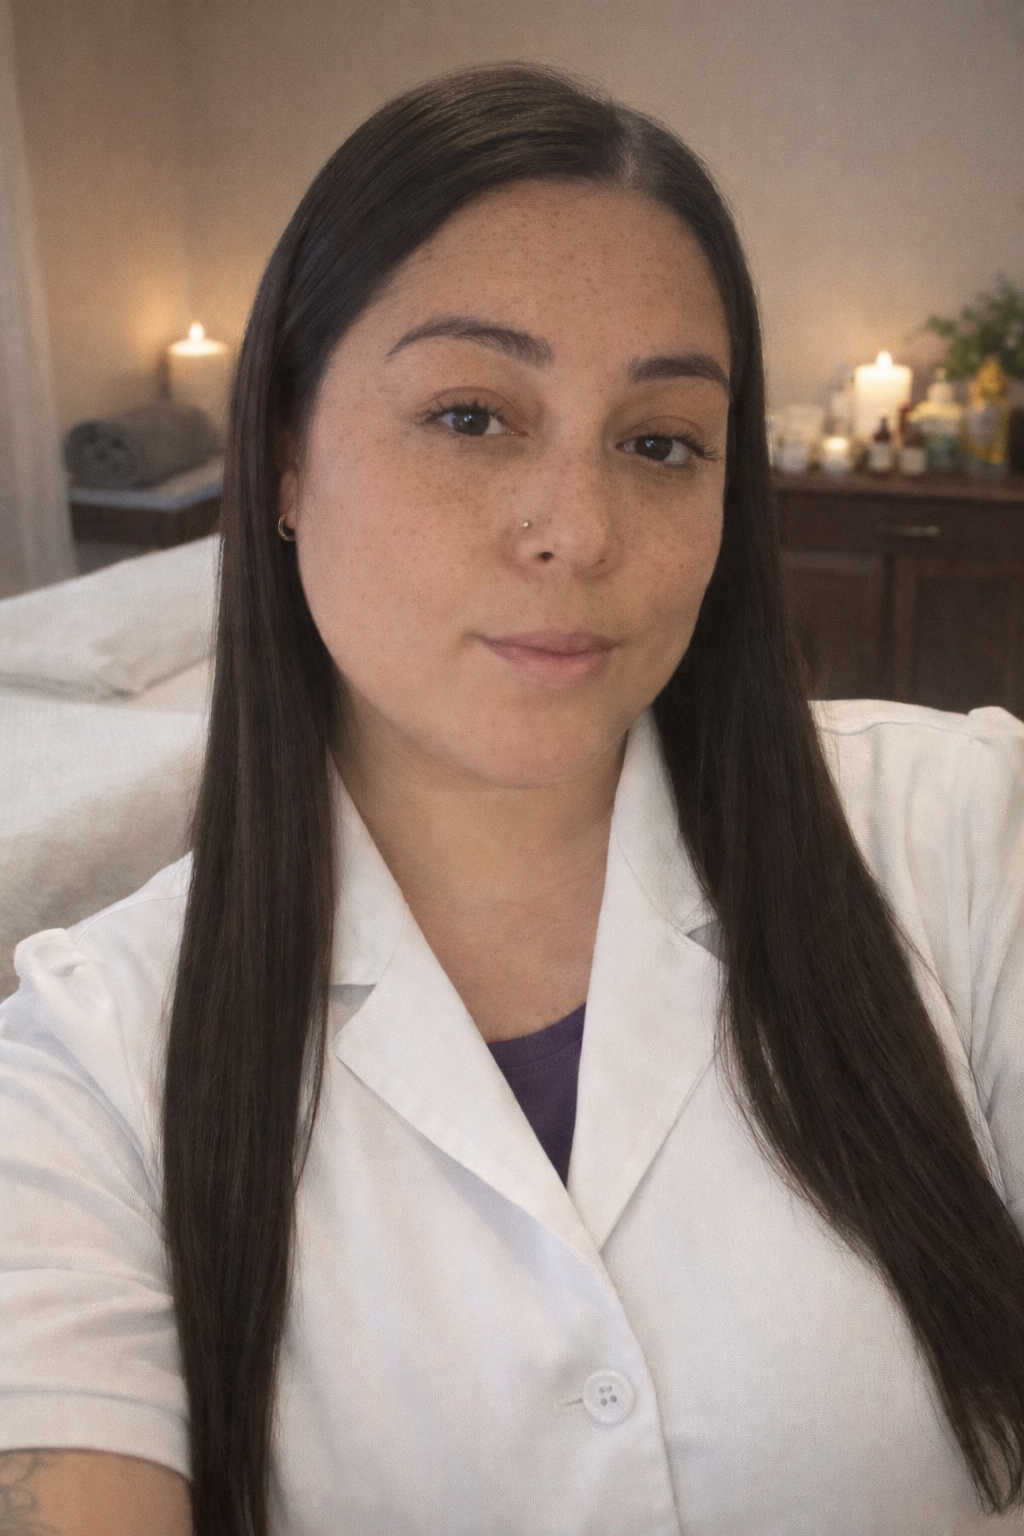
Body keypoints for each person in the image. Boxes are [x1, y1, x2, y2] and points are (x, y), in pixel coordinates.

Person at [0, 60, 1022, 1536]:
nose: (580, 531)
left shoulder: (963, 834)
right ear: (284, 453)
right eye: (475, 416)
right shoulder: (84, 1071)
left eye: (661, 441)